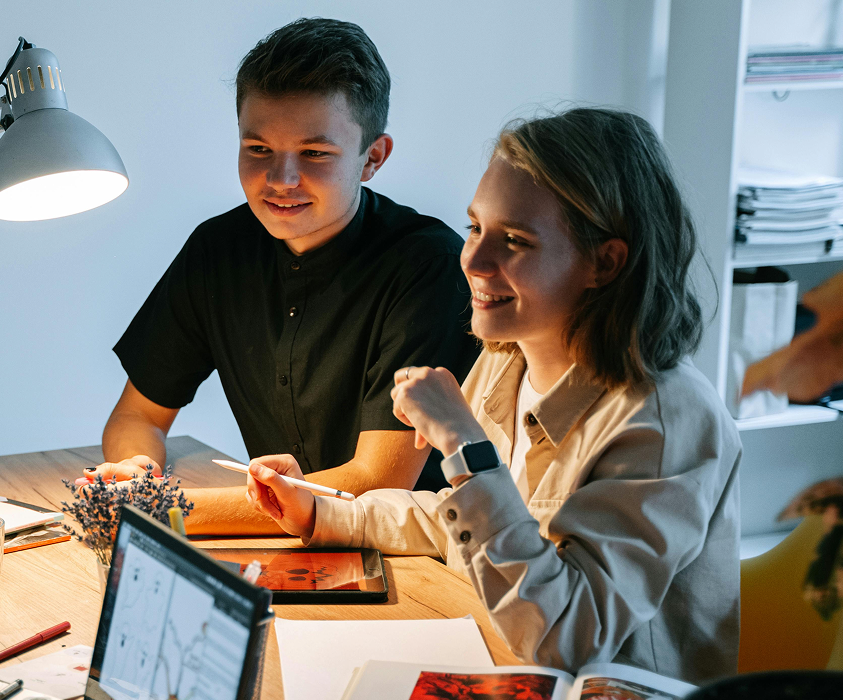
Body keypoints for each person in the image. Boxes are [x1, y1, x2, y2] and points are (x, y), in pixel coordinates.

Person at [245, 108, 742, 683]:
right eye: (475, 228)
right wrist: (325, 510)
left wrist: (465, 446)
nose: (474, 262)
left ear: (604, 263)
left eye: (515, 241)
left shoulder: (664, 418)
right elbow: (467, 525)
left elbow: (565, 640)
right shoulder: (509, 360)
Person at [87, 17, 478, 534]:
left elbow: (378, 482)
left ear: (372, 158)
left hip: (416, 556)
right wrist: (139, 473)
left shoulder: (429, 265)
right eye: (258, 150)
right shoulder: (217, 250)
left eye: (314, 153)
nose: (280, 179)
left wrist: (161, 510)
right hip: (285, 549)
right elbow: (137, 417)